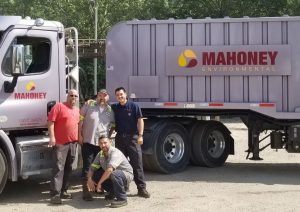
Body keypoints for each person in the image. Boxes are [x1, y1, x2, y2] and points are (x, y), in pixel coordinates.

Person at [111, 87, 150, 198]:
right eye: (117, 95)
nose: (120, 96)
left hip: (133, 138)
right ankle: (122, 188)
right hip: (119, 139)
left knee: (137, 164)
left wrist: (140, 135)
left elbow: (140, 120)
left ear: (125, 94)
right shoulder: (115, 107)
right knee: (120, 165)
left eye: (121, 94)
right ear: (116, 96)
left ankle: (142, 189)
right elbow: (103, 105)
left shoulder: (134, 106)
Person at [79, 89, 115, 201]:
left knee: (100, 167)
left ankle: (97, 188)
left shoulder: (110, 110)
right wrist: (79, 135)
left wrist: (108, 137)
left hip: (102, 145)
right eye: (100, 95)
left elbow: (113, 125)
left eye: (104, 96)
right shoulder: (88, 105)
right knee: (87, 167)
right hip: (88, 141)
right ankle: (86, 191)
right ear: (97, 96)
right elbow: (79, 121)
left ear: (107, 98)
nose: (102, 97)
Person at [48, 89, 80, 204]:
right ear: (68, 96)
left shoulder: (77, 110)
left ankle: (64, 191)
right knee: (58, 168)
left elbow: (78, 125)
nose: (73, 98)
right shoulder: (59, 106)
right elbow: (51, 122)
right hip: (60, 143)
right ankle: (55, 195)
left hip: (73, 143)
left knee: (69, 168)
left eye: (76, 96)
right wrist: (52, 137)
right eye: (71, 95)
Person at [87, 135, 133, 208]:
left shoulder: (115, 152)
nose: (103, 145)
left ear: (110, 142)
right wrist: (89, 179)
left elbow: (109, 170)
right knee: (95, 175)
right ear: (98, 144)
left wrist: (99, 183)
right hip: (113, 175)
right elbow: (92, 168)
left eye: (105, 143)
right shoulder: (100, 154)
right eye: (101, 143)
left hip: (126, 175)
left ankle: (122, 199)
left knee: (113, 174)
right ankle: (113, 192)